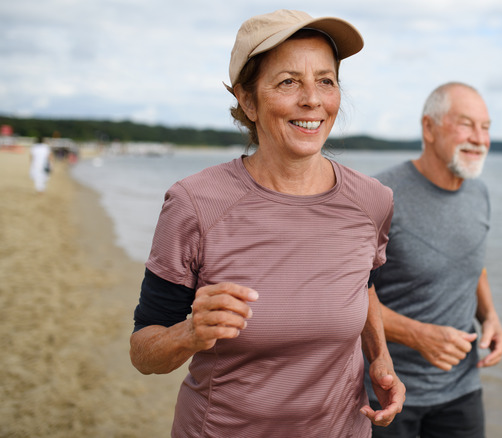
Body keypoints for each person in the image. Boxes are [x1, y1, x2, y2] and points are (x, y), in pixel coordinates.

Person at [129, 10, 404, 437]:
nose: (312, 99)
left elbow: (362, 284)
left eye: (326, 81)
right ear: (248, 100)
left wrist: (380, 358)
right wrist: (188, 334)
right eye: (289, 81)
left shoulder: (373, 200)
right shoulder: (194, 203)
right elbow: (143, 352)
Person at [365, 82, 502, 438]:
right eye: (466, 124)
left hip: (462, 391)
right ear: (428, 128)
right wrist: (417, 335)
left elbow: (472, 263)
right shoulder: (379, 197)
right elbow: (344, 296)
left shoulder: (480, 192)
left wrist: (490, 316)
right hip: (387, 392)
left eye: (486, 127)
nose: (479, 138)